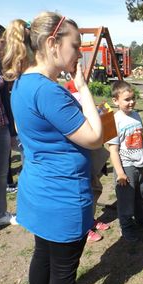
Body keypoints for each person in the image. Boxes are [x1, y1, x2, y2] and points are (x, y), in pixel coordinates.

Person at [3, 12, 103, 284]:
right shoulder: (49, 91)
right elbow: (95, 138)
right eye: (76, 45)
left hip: (38, 191)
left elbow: (24, 130)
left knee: (43, 256)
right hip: (63, 196)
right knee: (63, 270)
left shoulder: (21, 83)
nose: (79, 54)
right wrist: (83, 89)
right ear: (52, 43)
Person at [63, 78, 110, 243]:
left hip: (92, 160)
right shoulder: (68, 117)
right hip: (79, 164)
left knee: (95, 189)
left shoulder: (89, 111)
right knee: (82, 196)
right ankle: (84, 228)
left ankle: (90, 220)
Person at [107, 80, 143, 243]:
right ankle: (127, 227)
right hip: (125, 167)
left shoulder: (136, 115)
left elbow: (140, 138)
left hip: (139, 164)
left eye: (133, 98)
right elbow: (113, 150)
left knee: (141, 194)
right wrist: (120, 172)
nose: (132, 102)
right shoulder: (114, 121)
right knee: (126, 200)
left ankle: (142, 218)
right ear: (115, 101)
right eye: (127, 99)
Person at [0, 23, 17, 226]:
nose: (4, 46)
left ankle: (1, 213)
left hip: (1, 125)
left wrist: (11, 131)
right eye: (2, 42)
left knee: (2, 173)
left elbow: (5, 97)